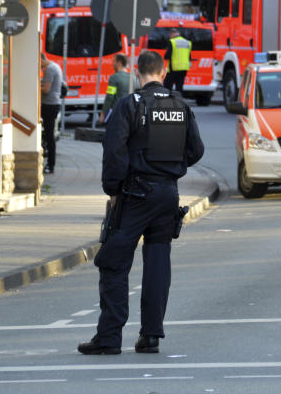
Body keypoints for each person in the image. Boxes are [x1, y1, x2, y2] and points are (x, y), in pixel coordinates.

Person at [78, 50, 204, 356]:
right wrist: (173, 168)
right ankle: (151, 336)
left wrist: (113, 189)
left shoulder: (130, 105)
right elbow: (196, 150)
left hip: (135, 195)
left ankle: (109, 337)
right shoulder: (180, 106)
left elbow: (114, 149)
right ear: (162, 73)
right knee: (158, 264)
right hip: (168, 195)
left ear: (138, 73)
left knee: (113, 261)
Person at [100, 54, 139, 124]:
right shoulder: (133, 77)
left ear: (119, 63)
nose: (112, 64)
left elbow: (110, 97)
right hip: (131, 112)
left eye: (114, 61)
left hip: (116, 113)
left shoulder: (114, 78)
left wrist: (103, 114)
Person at [40, 54, 63, 174]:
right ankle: (50, 163)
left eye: (38, 63)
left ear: (42, 59)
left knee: (49, 136)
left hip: (49, 105)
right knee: (49, 135)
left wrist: (35, 86)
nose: (39, 66)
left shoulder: (49, 69)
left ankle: (50, 164)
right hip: (53, 104)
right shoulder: (56, 66)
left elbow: (46, 89)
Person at [163, 28, 192, 93]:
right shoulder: (188, 42)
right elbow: (189, 56)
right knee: (179, 87)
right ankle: (179, 101)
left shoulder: (173, 42)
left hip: (174, 68)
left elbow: (167, 56)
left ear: (172, 34)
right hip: (184, 68)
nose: (170, 37)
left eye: (170, 35)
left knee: (167, 86)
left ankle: (167, 101)